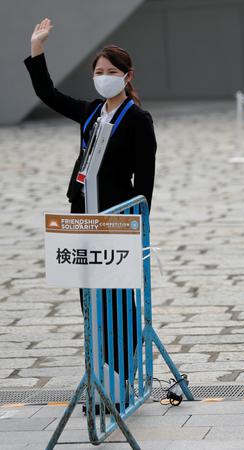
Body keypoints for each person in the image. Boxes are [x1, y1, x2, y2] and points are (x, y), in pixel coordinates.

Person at [25, 19, 156, 399]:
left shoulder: (137, 120)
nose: (104, 78)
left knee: (118, 307)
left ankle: (119, 381)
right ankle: (100, 381)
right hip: (82, 218)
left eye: (111, 72)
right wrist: (38, 48)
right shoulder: (91, 112)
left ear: (127, 76)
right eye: (99, 72)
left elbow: (145, 184)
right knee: (91, 306)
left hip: (116, 221)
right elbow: (47, 93)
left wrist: (139, 228)